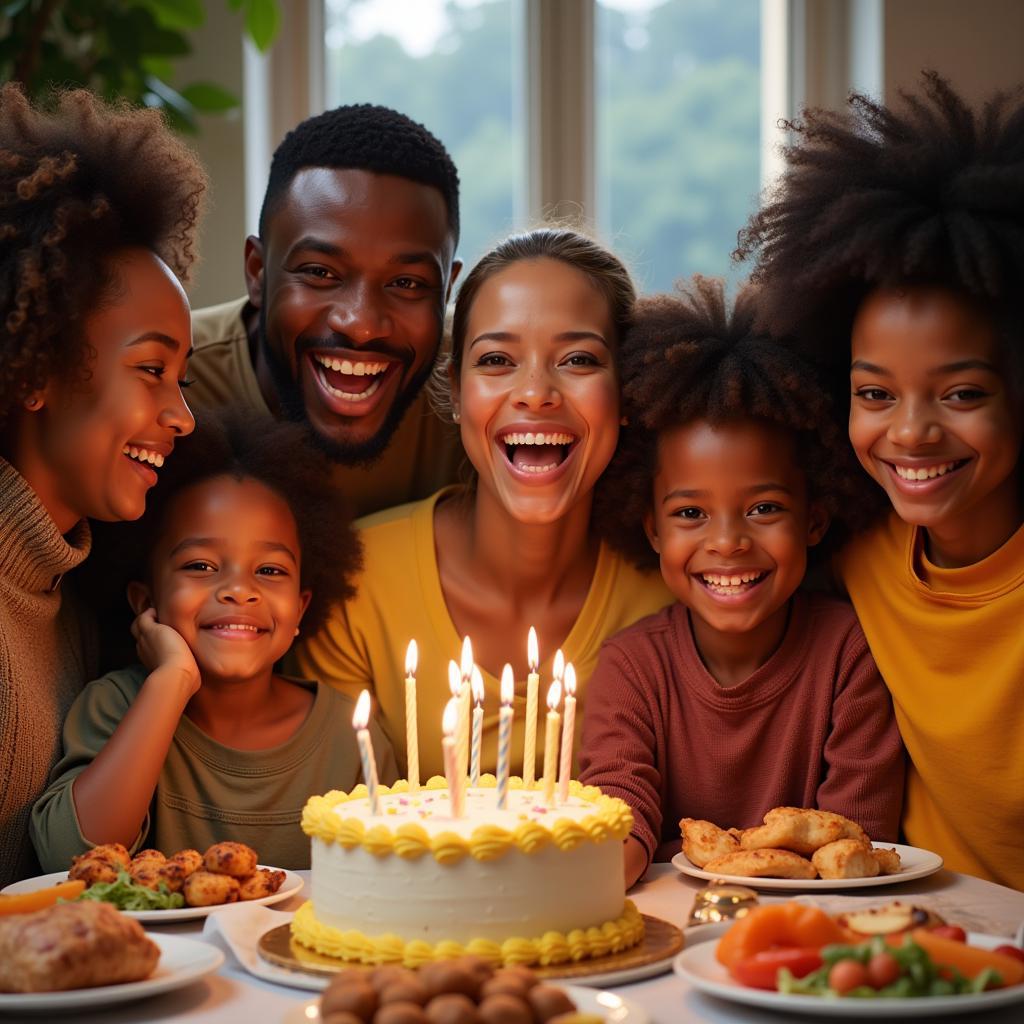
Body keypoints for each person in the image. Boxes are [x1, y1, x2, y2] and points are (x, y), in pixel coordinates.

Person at [735, 73, 1024, 890]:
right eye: (874, 394)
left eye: (962, 393)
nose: (910, 432)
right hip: (919, 942)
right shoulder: (858, 550)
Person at [294, 228, 672, 780]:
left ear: (626, 396)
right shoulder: (357, 582)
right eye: (497, 359)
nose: (536, 392)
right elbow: (344, 830)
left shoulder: (673, 593)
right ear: (456, 389)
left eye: (578, 360)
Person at [579, 279, 905, 888]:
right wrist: (596, 865)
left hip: (815, 931)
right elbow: (618, 805)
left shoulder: (850, 653)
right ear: (651, 529)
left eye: (762, 509)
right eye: (690, 514)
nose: (727, 542)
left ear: (814, 519)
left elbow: (856, 841)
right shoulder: (631, 667)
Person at [32, 413, 394, 871]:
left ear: (301, 608)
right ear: (146, 600)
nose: (239, 590)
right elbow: (68, 860)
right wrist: (170, 682)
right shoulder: (116, 706)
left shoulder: (350, 733)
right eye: (201, 566)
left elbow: (391, 883)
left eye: (270, 570)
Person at [0, 85, 205, 886]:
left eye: (181, 376)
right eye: (151, 369)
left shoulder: (75, 598)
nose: (181, 416)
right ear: (39, 367)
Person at [188, 104, 464, 518]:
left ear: (445, 292)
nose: (361, 324)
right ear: (257, 272)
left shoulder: (486, 381)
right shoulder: (171, 378)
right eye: (320, 272)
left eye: (407, 283)